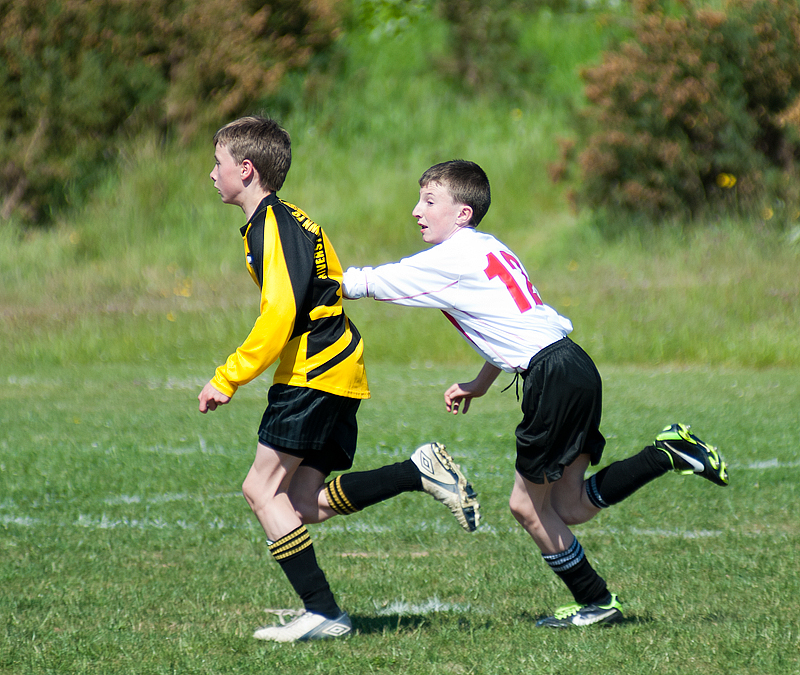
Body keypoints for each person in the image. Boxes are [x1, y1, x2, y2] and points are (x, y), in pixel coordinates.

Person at [342, 159, 730, 628]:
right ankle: (667, 453)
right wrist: (479, 384)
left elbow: (369, 282)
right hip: (573, 365)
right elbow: (510, 321)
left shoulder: (453, 256)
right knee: (569, 507)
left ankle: (597, 603)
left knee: (526, 507)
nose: (416, 211)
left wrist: (307, 277)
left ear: (462, 213)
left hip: (552, 376)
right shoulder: (487, 248)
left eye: (429, 202)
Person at [198, 118, 479, 643]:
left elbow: (280, 312)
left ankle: (322, 611)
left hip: (314, 368)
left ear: (245, 169)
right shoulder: (294, 219)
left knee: (260, 488)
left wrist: (228, 376)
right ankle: (416, 471)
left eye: (217, 164)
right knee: (301, 505)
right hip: (338, 364)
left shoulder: (272, 226)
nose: (211, 174)